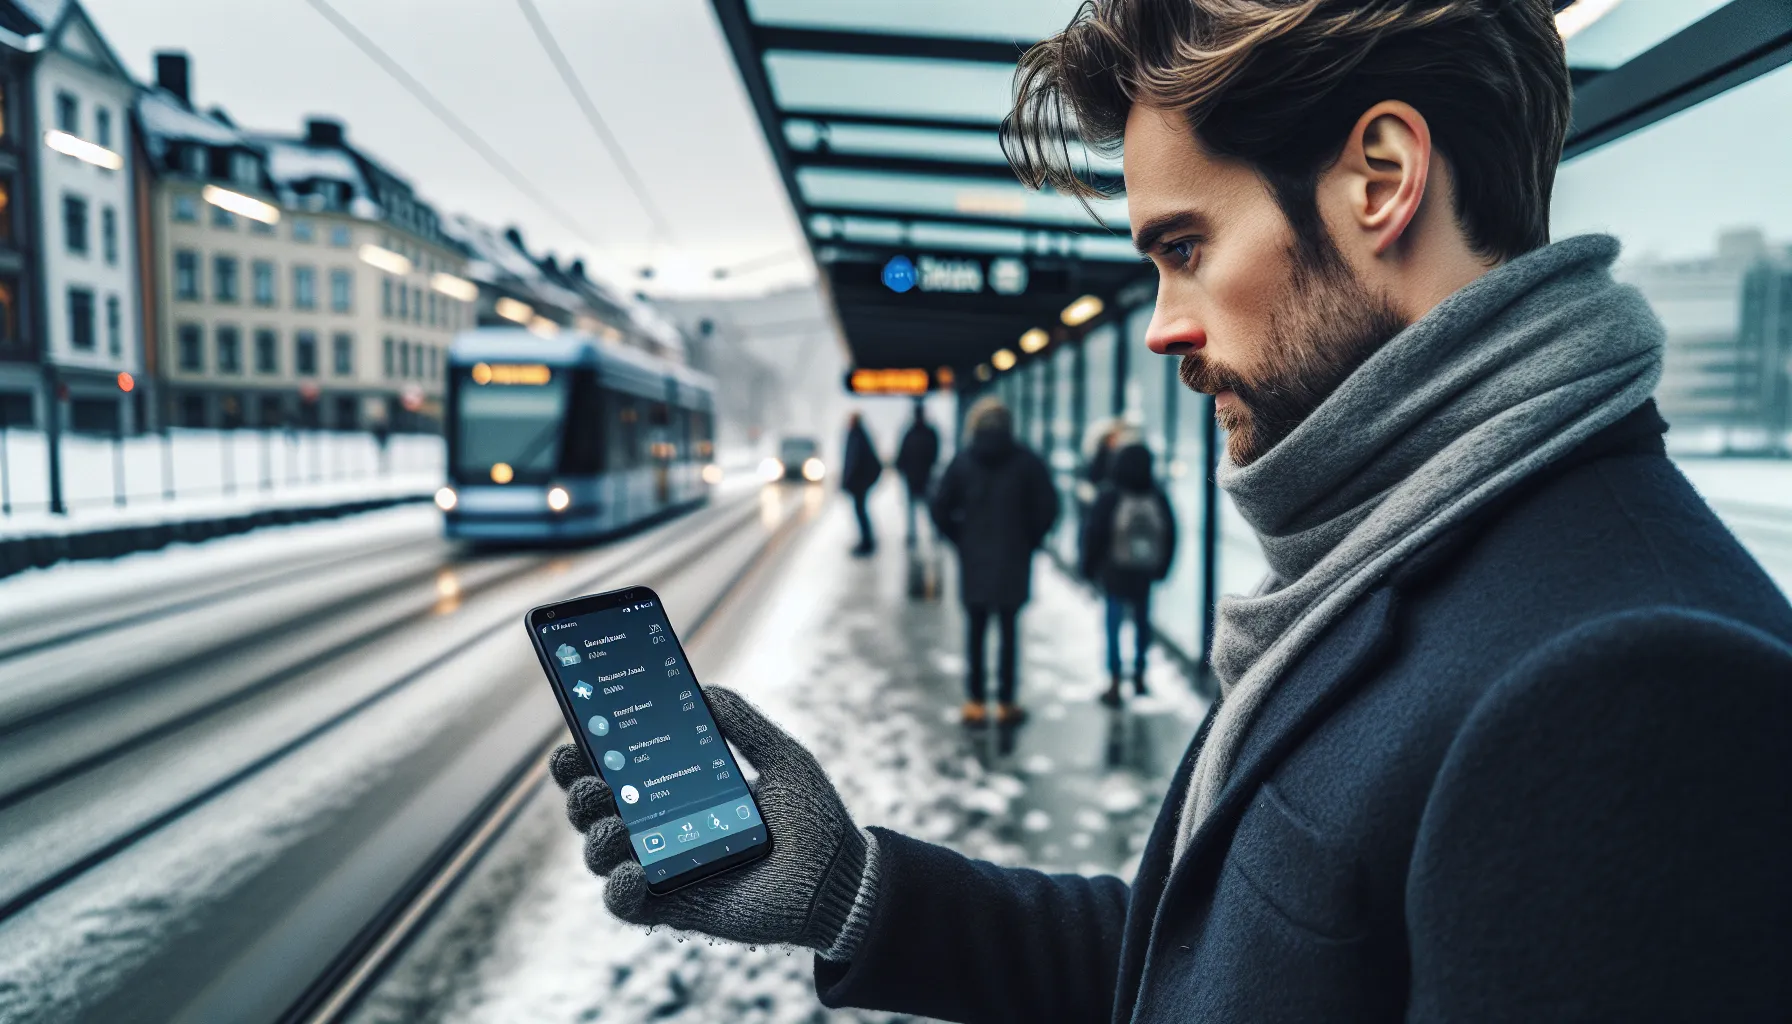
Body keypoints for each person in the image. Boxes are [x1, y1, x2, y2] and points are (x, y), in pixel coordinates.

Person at [548, 1, 1792, 1019]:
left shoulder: (1634, 690)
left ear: (1380, 180)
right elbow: (1220, 968)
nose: (1162, 327)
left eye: (1184, 247)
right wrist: (853, 890)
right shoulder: (1404, 549)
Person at [928, 396, 1057, 726]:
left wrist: (961, 539)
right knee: (1009, 632)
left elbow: (939, 507)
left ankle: (974, 701)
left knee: (976, 631)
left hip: (974, 562)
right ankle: (1006, 702)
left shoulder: (963, 461)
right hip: (1014, 561)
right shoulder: (1027, 461)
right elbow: (1049, 507)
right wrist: (1029, 539)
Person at [1079, 442, 1176, 706]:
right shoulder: (1156, 494)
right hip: (1144, 572)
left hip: (1114, 571)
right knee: (1142, 622)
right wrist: (1162, 567)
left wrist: (1088, 568)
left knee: (1113, 624)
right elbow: (1170, 532)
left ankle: (1114, 680)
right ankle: (1140, 676)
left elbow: (1094, 534)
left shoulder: (1110, 495)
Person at [893, 399, 940, 546]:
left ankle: (914, 536)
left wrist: (901, 468)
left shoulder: (910, 433)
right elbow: (934, 453)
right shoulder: (929, 433)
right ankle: (931, 534)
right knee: (926, 508)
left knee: (914, 509)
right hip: (923, 476)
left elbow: (901, 454)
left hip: (914, 477)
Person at [839, 412, 881, 556]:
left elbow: (853, 461)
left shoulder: (856, 436)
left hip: (859, 483)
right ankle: (866, 541)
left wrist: (847, 480)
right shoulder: (861, 435)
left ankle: (867, 542)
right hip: (860, 482)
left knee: (861, 512)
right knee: (861, 511)